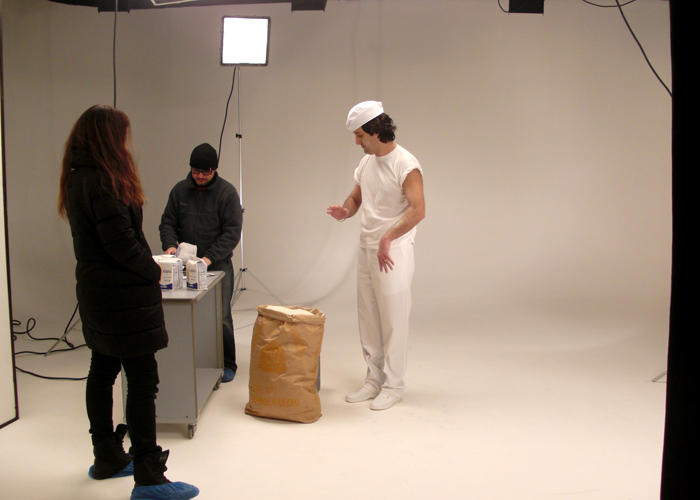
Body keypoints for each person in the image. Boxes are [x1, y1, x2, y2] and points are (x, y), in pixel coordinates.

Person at [58, 105, 199, 500]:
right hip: (123, 297)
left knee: (102, 369)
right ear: (109, 138)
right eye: (121, 135)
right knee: (142, 381)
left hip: (97, 293)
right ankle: (149, 478)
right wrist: (154, 271)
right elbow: (120, 244)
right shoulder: (105, 180)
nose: (126, 143)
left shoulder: (77, 176)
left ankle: (106, 457)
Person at [327, 101, 426, 411]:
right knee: (369, 317)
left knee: (394, 320)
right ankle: (373, 380)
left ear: (375, 130)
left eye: (360, 135)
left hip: (392, 252)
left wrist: (388, 237)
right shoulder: (367, 163)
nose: (357, 142)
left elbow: (418, 210)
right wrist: (345, 211)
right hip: (368, 248)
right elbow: (356, 197)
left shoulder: (405, 164)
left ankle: (394, 386)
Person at [159, 143, 242, 382]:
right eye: (196, 171)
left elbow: (232, 233)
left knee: (221, 317)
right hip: (184, 266)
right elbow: (167, 222)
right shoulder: (179, 191)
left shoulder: (226, 193)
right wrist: (170, 245)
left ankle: (227, 364)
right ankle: (193, 362)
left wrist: (208, 258)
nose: (201, 176)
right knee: (187, 315)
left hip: (217, 265)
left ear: (214, 169)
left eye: (206, 172)